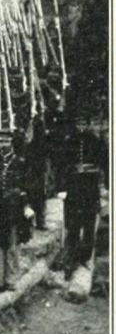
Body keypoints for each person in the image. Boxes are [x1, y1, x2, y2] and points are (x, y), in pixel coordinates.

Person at [0, 131, 33, 296]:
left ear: (11, 142)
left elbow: (27, 186)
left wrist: (27, 206)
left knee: (13, 244)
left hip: (15, 209)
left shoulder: (21, 162)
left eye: (5, 141)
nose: (2, 145)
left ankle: (11, 280)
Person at [59, 115, 108, 278]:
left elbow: (106, 164)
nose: (81, 126)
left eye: (84, 123)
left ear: (88, 125)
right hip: (73, 188)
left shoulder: (97, 142)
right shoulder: (68, 141)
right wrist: (62, 188)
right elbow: (61, 166)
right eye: (78, 123)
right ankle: (70, 260)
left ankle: (86, 258)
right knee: (72, 225)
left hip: (90, 188)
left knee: (88, 225)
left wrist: (106, 187)